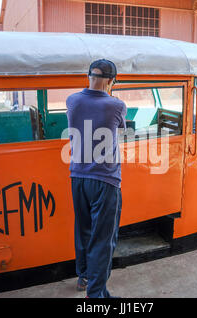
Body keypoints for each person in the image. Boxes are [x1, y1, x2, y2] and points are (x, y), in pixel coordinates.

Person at [66, 59, 127, 298]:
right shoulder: (116, 105)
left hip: (78, 176)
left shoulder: (72, 100)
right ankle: (97, 295)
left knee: (83, 229)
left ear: (88, 76)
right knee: (103, 239)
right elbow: (121, 128)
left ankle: (83, 276)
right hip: (105, 180)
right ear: (111, 81)